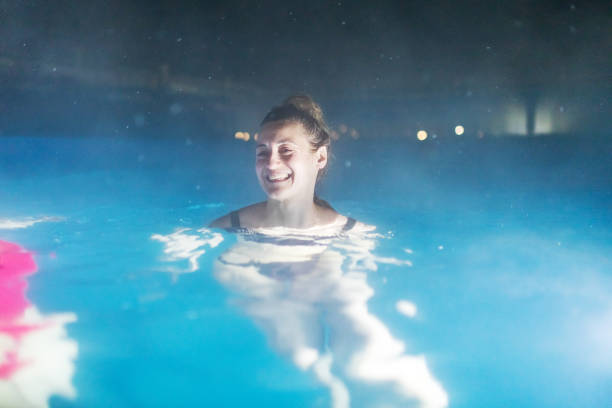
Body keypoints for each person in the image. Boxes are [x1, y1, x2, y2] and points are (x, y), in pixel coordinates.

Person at [209, 94, 357, 233]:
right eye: (262, 153)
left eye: (286, 150)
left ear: (320, 158)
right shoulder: (224, 229)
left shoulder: (354, 236)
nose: (271, 164)